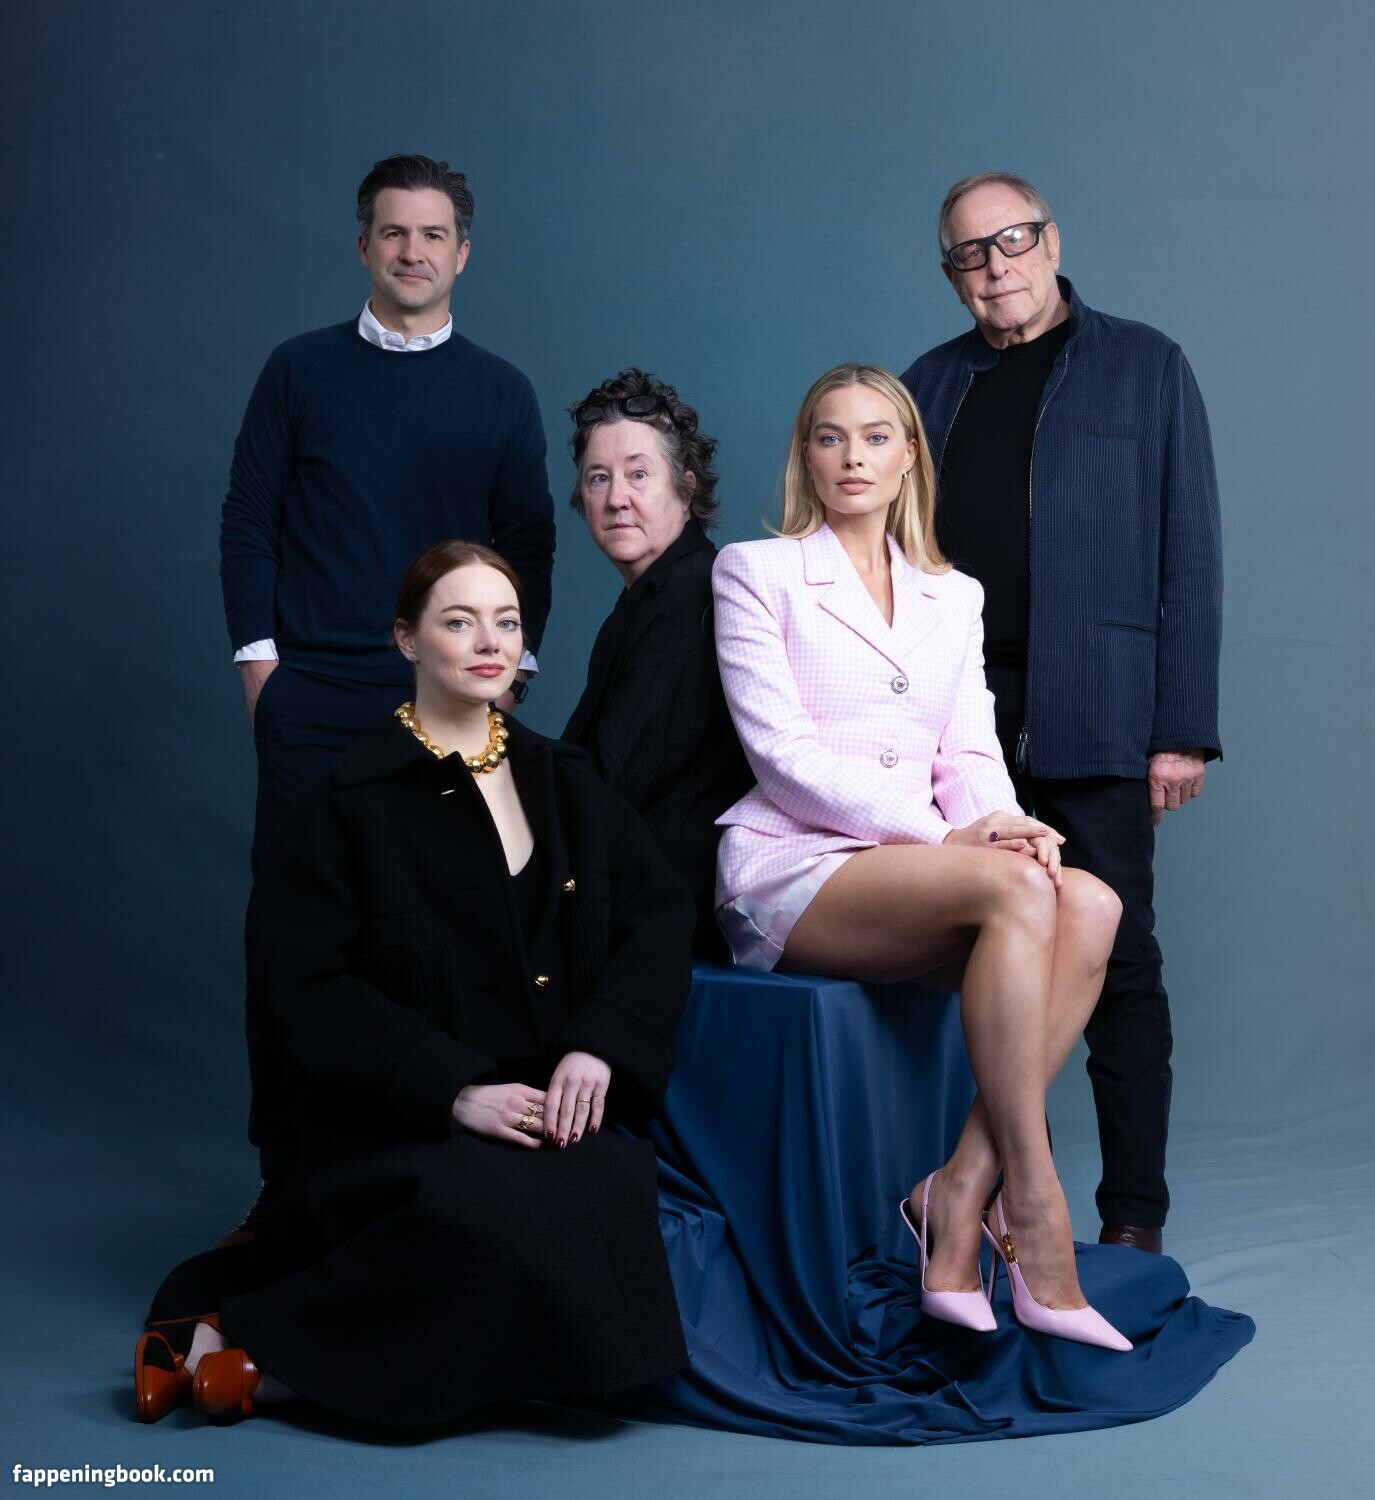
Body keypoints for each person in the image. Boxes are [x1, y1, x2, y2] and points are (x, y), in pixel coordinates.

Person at [135, 541, 693, 1427]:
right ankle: (260, 1355)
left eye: (506, 622)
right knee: (481, 1209)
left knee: (602, 1186)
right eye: (459, 621)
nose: (490, 642)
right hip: (396, 1116)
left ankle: (243, 1357)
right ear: (407, 640)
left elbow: (658, 917)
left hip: (540, 1109)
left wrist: (598, 1045)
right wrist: (454, 1089)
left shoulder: (565, 780)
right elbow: (303, 988)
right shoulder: (346, 799)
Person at [712, 364, 1130, 1349]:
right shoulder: (756, 571)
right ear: (805, 456)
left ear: (908, 457)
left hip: (928, 871)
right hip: (794, 863)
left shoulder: (952, 594)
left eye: (874, 437)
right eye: (829, 437)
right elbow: (782, 757)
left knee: (1091, 903)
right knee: (1014, 887)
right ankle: (1034, 1206)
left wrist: (1007, 824)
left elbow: (969, 750)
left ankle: (955, 1192)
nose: (851, 457)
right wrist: (950, 836)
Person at [218, 153, 557, 1220]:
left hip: (449, 702)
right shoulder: (298, 371)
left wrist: (507, 672)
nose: (414, 252)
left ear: (464, 253)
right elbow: (249, 518)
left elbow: (529, 542)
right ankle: (287, 1188)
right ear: (364, 246)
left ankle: (416, 1190)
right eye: (395, 233)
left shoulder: (500, 391)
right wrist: (262, 669)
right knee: (295, 940)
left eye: (433, 235)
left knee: (433, 936)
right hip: (314, 695)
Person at [901, 172, 1224, 1254]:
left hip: (1100, 717)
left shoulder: (1145, 366)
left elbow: (1191, 553)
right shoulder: (928, 385)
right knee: (978, 964)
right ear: (950, 275)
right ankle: (983, 1197)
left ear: (1050, 241)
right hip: (964, 732)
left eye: (1012, 241)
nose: (995, 267)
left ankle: (1132, 1216)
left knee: (1118, 962)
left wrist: (1179, 729)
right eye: (970, 253)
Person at [562, 370, 751, 959]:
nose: (616, 498)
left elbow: (609, 777)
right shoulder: (648, 597)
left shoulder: (690, 597)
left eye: (638, 474)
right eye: (598, 478)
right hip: (641, 891)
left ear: (686, 488)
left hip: (662, 917)